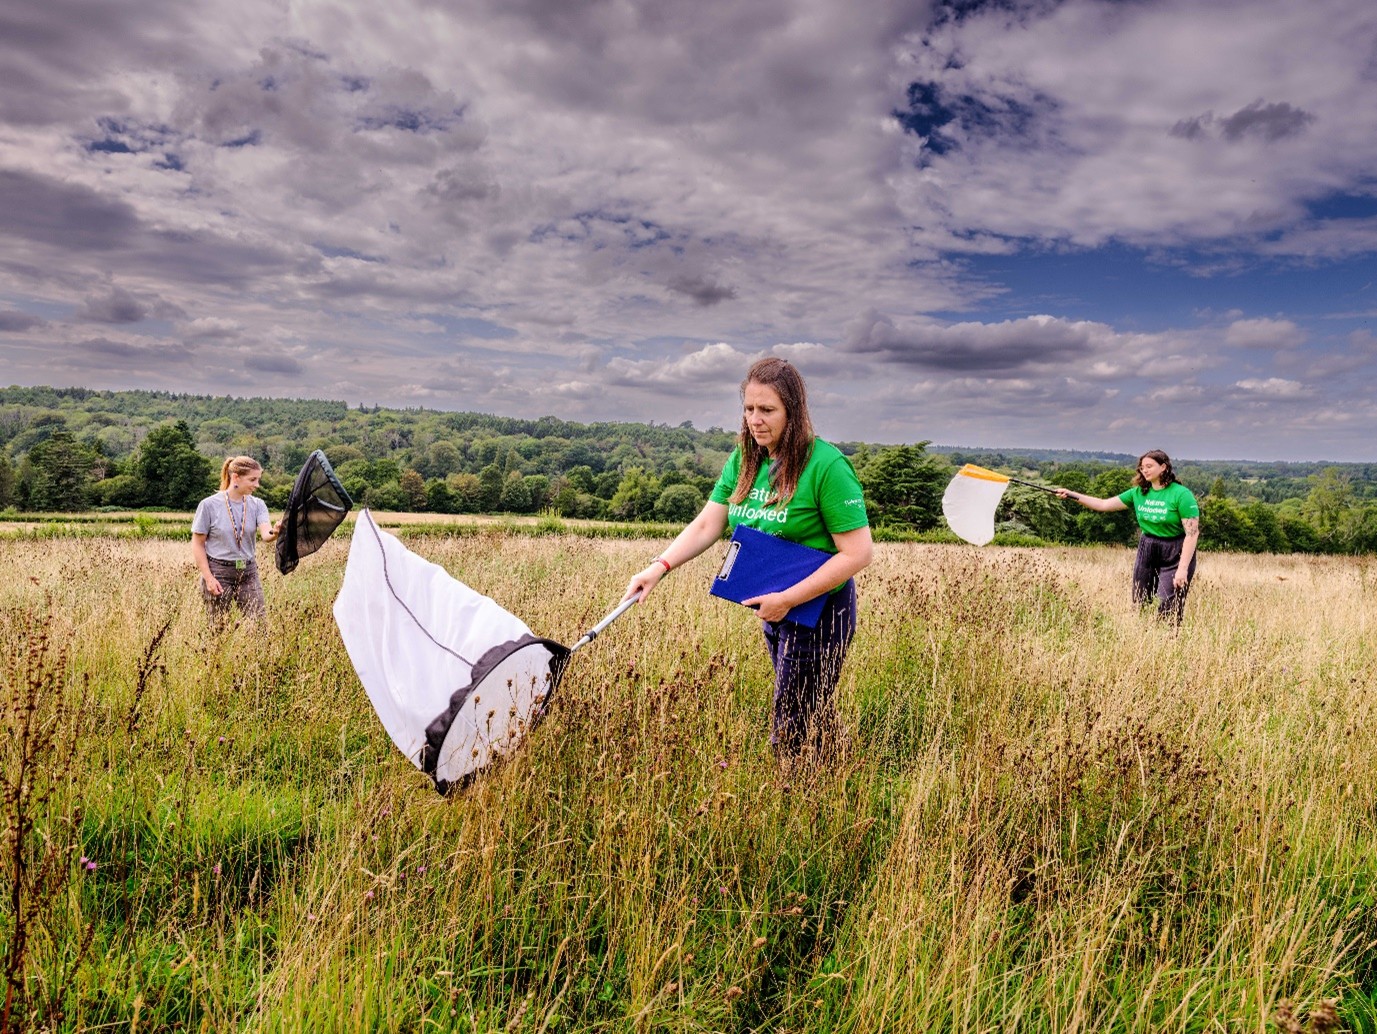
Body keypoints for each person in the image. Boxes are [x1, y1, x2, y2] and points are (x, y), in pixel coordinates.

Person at [623, 358, 873, 762]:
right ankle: (841, 774)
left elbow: (859, 553)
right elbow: (709, 523)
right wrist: (658, 568)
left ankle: (799, 804)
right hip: (773, 605)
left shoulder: (827, 465)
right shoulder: (746, 458)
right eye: (749, 408)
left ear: (793, 410)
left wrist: (789, 599)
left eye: (768, 410)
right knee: (808, 709)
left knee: (791, 723)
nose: (755, 420)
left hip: (820, 611)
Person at [1056, 449, 1200, 624]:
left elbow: (1192, 534)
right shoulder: (1138, 493)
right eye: (1142, 467)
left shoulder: (1181, 494)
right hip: (1148, 547)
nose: (1144, 470)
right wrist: (1072, 495)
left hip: (1175, 550)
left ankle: (1168, 642)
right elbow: (1103, 504)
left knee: (1168, 603)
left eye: (1149, 466)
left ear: (1163, 467)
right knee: (1140, 600)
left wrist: (1183, 569)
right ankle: (1143, 640)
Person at [191, 456, 283, 625]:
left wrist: (276, 532)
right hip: (219, 573)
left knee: (259, 626)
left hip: (248, 572)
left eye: (258, 480)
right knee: (217, 629)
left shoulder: (258, 504)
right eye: (252, 480)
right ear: (235, 478)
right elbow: (198, 544)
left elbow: (266, 534)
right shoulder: (209, 505)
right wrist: (209, 578)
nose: (257, 485)